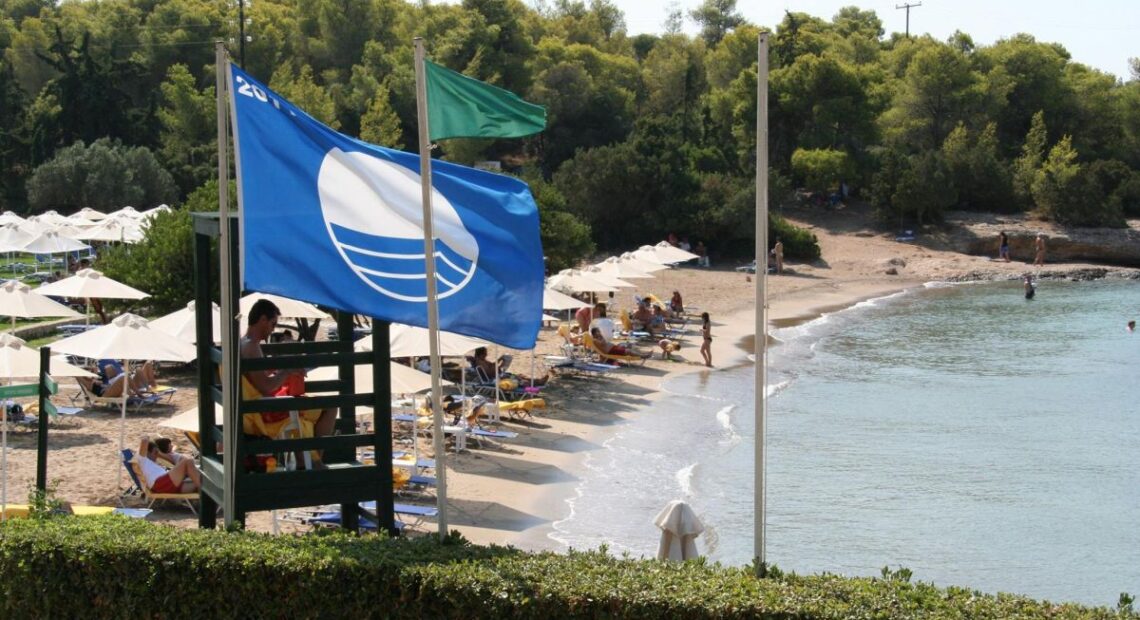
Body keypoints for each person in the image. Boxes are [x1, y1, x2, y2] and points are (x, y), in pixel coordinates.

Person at [241, 299, 336, 465]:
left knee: (311, 408)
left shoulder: (242, 343)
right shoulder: (252, 346)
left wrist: (276, 370)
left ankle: (307, 461)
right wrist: (287, 371)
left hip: (252, 408)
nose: (272, 330)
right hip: (263, 411)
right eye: (272, 324)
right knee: (330, 407)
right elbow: (265, 387)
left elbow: (255, 379)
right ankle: (313, 462)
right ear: (263, 319)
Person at [84, 359, 157, 398]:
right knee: (127, 376)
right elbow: (93, 380)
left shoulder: (114, 361)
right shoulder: (100, 368)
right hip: (124, 384)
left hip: (129, 380)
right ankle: (138, 394)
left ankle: (150, 388)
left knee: (141, 368)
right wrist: (94, 373)